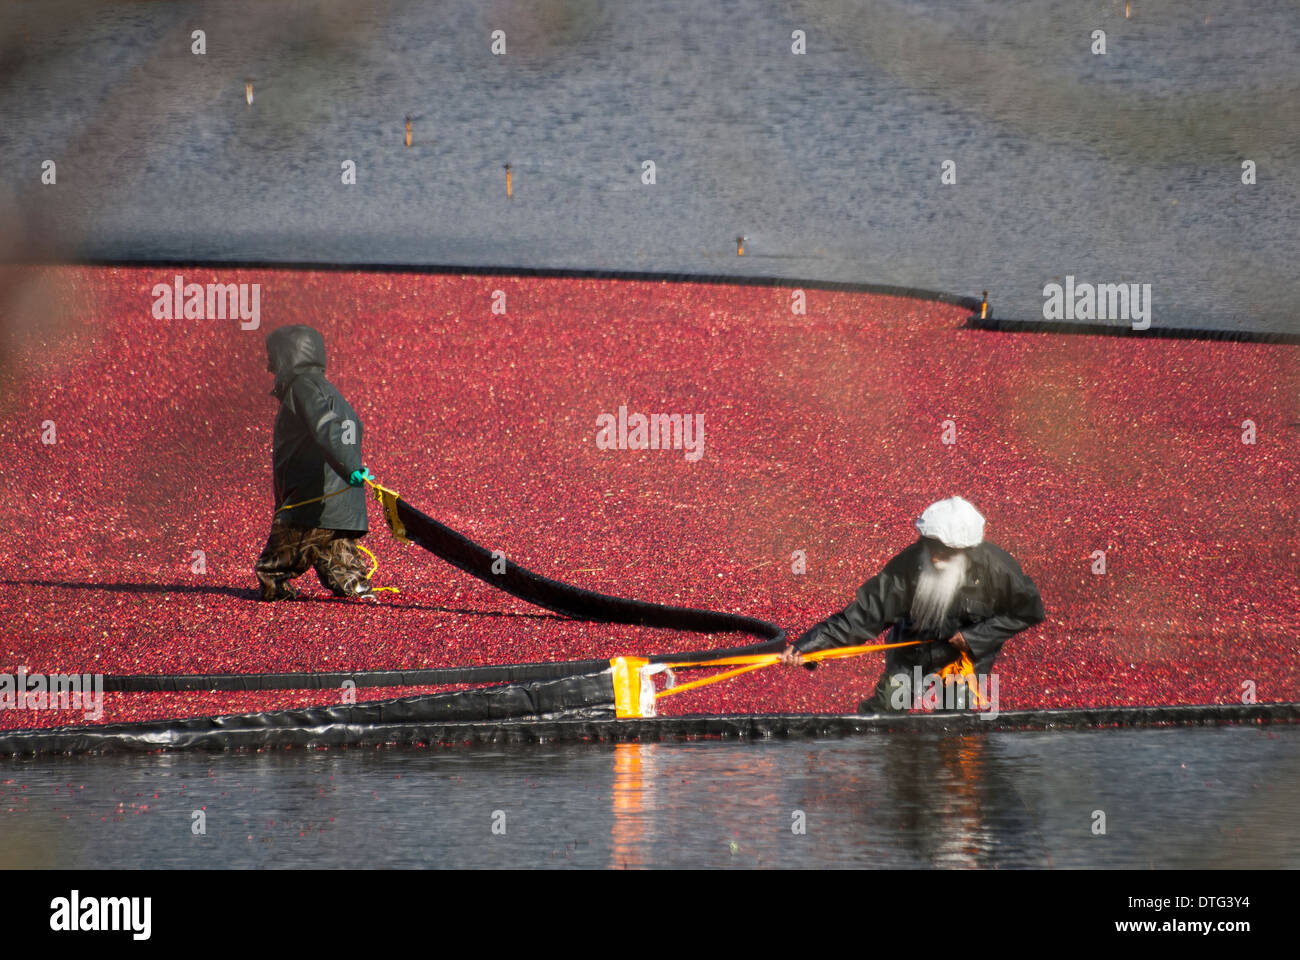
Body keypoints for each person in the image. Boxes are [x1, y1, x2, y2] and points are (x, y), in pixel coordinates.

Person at [781, 497, 1044, 712]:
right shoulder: (908, 566)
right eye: (930, 546)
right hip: (912, 651)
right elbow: (863, 615)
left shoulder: (998, 570)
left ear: (967, 548)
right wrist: (808, 646)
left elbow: (1028, 612)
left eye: (946, 549)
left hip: (965, 659)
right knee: (887, 707)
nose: (936, 556)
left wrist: (976, 638)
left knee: (955, 724)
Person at [254, 324, 379, 602]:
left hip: (311, 500)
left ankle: (277, 591)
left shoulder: (303, 387)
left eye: (273, 358)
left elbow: (329, 426)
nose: (269, 367)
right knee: (336, 553)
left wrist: (349, 466)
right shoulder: (326, 389)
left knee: (278, 562)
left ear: (287, 357)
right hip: (339, 499)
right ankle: (355, 586)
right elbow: (349, 425)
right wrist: (349, 468)